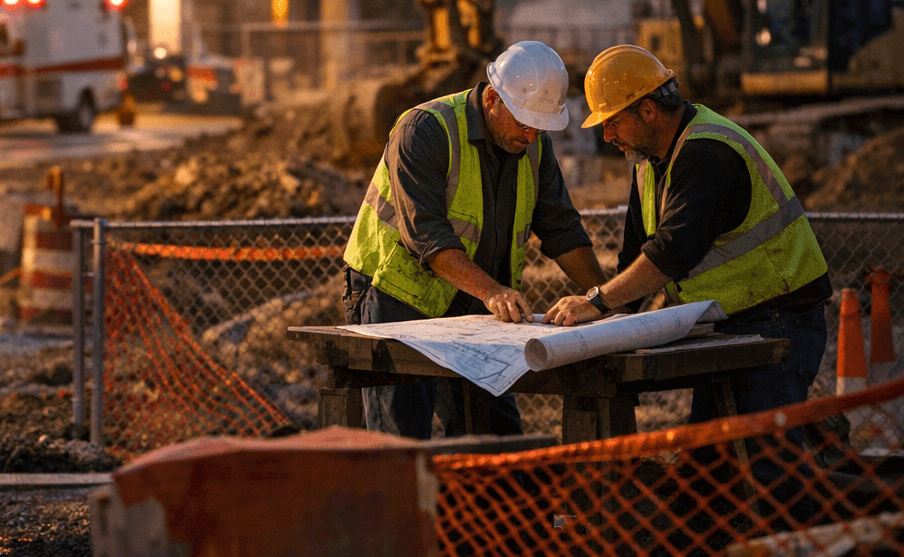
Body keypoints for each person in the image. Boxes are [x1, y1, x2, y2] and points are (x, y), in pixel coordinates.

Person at [545, 44, 831, 425]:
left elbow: (671, 253)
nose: (607, 135)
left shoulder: (706, 153)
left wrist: (596, 302)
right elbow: (636, 256)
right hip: (738, 324)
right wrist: (608, 318)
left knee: (765, 468)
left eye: (612, 122)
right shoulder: (649, 161)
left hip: (777, 320)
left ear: (648, 110)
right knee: (713, 468)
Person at [342, 40, 608, 439]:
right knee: (401, 437)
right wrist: (493, 291)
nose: (532, 137)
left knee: (494, 433)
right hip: (395, 296)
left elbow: (562, 229)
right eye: (524, 124)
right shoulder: (425, 130)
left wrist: (602, 298)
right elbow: (426, 236)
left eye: (539, 127)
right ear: (492, 99)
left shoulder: (534, 146)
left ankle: (481, 502)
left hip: (473, 301)